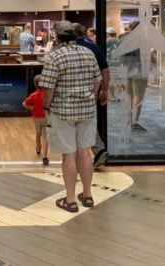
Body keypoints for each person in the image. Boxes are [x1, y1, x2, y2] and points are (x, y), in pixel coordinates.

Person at [40, 21, 102, 213]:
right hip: (87, 110)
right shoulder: (88, 53)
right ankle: (88, 195)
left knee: (69, 156)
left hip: (63, 111)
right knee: (85, 153)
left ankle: (70, 200)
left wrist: (46, 106)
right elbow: (97, 80)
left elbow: (48, 87)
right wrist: (90, 97)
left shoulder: (55, 56)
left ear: (57, 37)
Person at [72, 23, 110, 167]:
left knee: (79, 124)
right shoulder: (93, 47)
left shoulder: (71, 48)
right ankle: (95, 152)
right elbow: (105, 70)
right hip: (93, 89)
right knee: (87, 121)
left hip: (77, 91)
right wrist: (104, 90)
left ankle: (92, 153)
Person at [120, 21, 149, 131]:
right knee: (138, 97)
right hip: (139, 71)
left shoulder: (122, 38)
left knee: (129, 96)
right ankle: (134, 122)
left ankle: (129, 119)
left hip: (126, 70)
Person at [22, 74, 49, 165]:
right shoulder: (48, 95)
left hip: (37, 118)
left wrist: (31, 108)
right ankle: (44, 156)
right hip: (46, 117)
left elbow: (24, 103)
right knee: (45, 136)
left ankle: (38, 148)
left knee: (38, 134)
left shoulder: (34, 95)